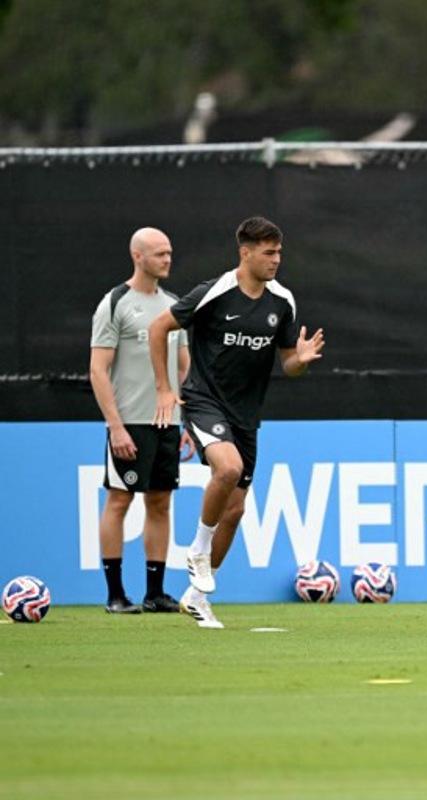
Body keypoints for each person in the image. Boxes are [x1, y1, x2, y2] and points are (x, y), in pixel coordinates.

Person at [148, 216, 324, 629]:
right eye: (268, 253)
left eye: (279, 252)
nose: (276, 260)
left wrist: (301, 359)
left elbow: (288, 364)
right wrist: (163, 388)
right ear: (245, 253)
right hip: (205, 401)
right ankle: (197, 551)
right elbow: (159, 328)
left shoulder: (282, 301)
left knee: (236, 508)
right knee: (228, 468)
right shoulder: (213, 293)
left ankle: (197, 596)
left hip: (246, 415)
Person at [89, 227, 194, 614]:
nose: (167, 259)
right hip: (129, 422)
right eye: (159, 254)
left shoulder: (174, 305)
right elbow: (98, 370)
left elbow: (184, 370)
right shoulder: (114, 303)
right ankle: (115, 594)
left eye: (169, 253)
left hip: (167, 423)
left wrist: (185, 422)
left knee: (161, 502)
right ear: (138, 256)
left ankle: (155, 592)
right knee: (119, 501)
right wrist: (115, 426)